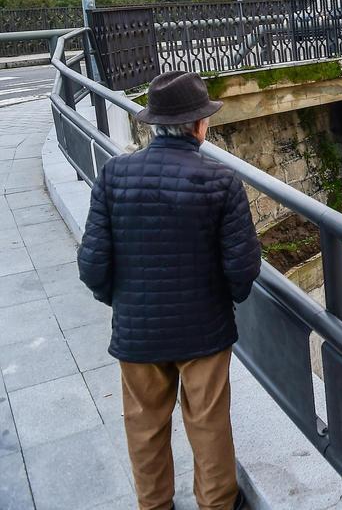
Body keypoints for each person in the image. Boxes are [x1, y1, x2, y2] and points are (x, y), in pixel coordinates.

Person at [79, 71, 262, 510]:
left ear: (152, 125)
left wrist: (122, 302)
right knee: (209, 424)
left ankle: (154, 504)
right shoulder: (220, 182)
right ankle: (217, 503)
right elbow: (243, 266)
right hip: (204, 330)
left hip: (137, 332)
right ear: (199, 125)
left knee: (143, 427)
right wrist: (223, 300)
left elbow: (92, 264)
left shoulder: (114, 175)